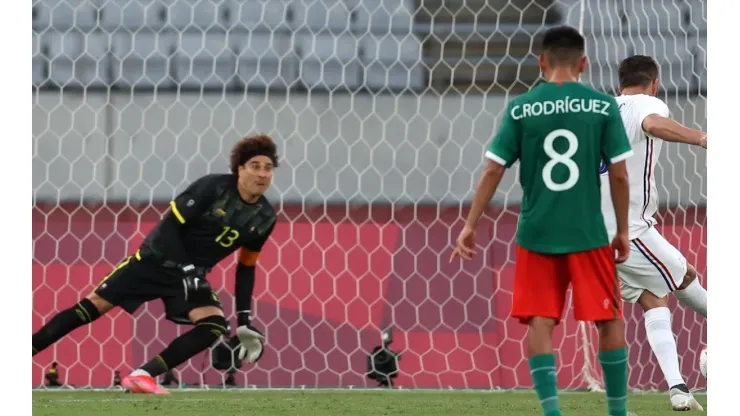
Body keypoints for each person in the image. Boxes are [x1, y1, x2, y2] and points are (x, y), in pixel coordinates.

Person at [451, 26, 633, 416]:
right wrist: (622, 230)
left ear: (541, 62)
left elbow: (492, 172)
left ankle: (552, 412)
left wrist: (469, 224)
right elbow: (619, 175)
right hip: (588, 233)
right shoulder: (602, 107)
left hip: (536, 235)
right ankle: (617, 412)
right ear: (583, 63)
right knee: (609, 318)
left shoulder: (521, 108)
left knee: (541, 321)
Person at [32, 134, 279, 394]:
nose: (262, 174)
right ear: (240, 169)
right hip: (152, 261)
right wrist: (188, 271)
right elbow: (168, 228)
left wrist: (243, 319)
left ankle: (142, 375)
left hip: (189, 278)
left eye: (268, 168)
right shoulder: (213, 188)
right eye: (255, 166)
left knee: (213, 326)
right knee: (89, 309)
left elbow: (246, 267)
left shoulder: (265, 217)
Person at [600, 55, 707, 411]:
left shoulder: (602, 109)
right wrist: (703, 138)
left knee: (652, 296)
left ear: (619, 83)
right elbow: (654, 124)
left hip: (595, 231)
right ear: (655, 83)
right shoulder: (645, 103)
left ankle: (678, 388)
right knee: (686, 275)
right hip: (629, 228)